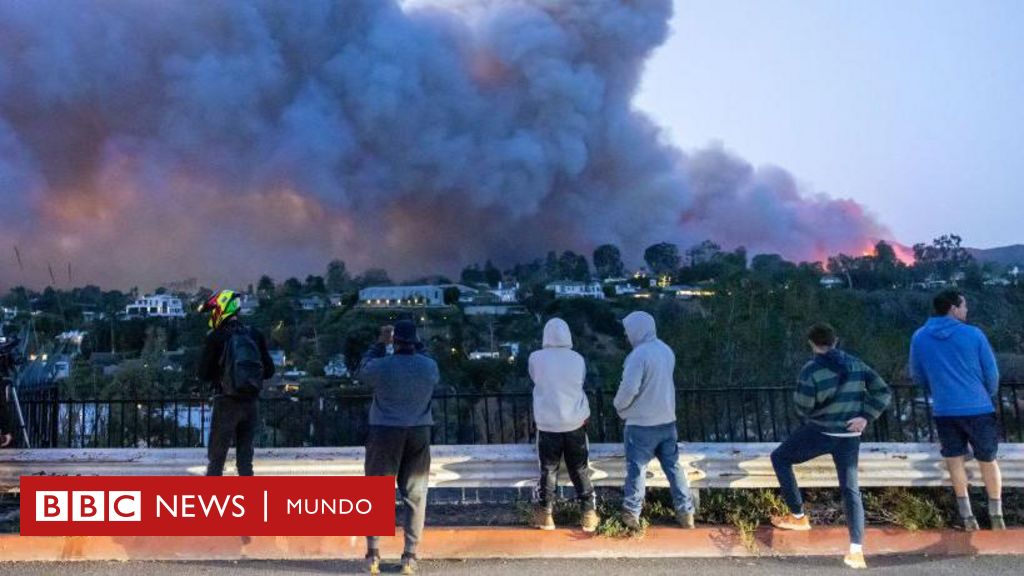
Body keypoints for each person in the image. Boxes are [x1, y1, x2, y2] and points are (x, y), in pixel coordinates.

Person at [770, 323, 891, 570]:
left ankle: (798, 515)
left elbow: (802, 406)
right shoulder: (856, 364)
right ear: (835, 340)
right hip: (849, 435)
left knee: (780, 458)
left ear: (812, 343)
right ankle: (856, 551)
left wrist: (813, 413)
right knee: (850, 489)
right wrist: (865, 416)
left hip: (820, 432)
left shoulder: (811, 370)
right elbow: (882, 391)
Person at [910, 289, 1003, 531]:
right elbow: (991, 374)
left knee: (954, 460)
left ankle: (967, 515)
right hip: (978, 407)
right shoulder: (973, 334)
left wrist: (938, 390)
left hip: (944, 409)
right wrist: (986, 394)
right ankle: (996, 514)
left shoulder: (919, 336)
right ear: (953, 307)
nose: (966, 310)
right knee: (988, 459)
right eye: (964, 306)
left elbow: (917, 374)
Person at [359, 320, 440, 576]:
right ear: (415, 341)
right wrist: (419, 344)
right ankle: (410, 556)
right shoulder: (429, 366)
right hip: (418, 432)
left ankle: (373, 554)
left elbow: (362, 371)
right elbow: (428, 362)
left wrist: (380, 344)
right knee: (416, 495)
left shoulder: (382, 366)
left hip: (384, 432)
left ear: (395, 341)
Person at [613, 311, 696, 532]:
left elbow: (630, 388)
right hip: (667, 421)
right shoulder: (666, 350)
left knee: (637, 470)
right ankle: (686, 511)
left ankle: (632, 513)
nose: (626, 335)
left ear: (636, 330)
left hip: (641, 424)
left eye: (628, 330)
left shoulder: (639, 355)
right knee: (674, 468)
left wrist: (619, 405)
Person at [529, 318, 599, 532]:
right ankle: (588, 513)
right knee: (580, 468)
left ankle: (546, 515)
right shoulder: (577, 359)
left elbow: (535, 379)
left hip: (548, 424)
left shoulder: (536, 358)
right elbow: (581, 382)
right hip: (575, 422)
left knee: (548, 469)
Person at [198, 289, 275, 477]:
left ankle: (211, 505)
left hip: (225, 402)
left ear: (221, 310)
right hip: (250, 403)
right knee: (245, 462)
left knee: (216, 462)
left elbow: (203, 373)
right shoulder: (254, 334)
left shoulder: (216, 337)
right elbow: (269, 370)